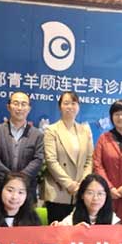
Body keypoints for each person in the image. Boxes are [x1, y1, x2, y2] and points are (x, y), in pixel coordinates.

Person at [42, 92, 94, 223]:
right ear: (60, 107)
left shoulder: (85, 130)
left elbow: (90, 159)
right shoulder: (51, 130)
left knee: (79, 231)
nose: (70, 107)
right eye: (66, 103)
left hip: (80, 191)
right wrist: (69, 184)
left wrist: (83, 183)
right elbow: (51, 160)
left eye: (73, 103)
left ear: (78, 106)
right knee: (57, 231)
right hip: (58, 191)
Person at [0, 91, 44, 208]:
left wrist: (20, 180)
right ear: (8, 107)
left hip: (26, 191)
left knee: (25, 219)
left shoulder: (37, 135)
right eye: (16, 103)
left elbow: (38, 160)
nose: (19, 108)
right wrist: (10, 180)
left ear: (29, 108)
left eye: (23, 104)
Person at [54, 174, 120, 226]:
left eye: (100, 193)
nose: (95, 198)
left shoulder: (113, 220)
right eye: (90, 193)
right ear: (82, 195)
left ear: (106, 196)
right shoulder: (70, 220)